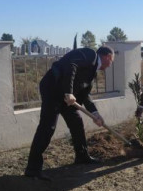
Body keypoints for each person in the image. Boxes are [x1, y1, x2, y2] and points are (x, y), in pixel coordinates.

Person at [24, 46, 115, 181]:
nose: (110, 65)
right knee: (48, 127)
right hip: (53, 90)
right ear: (108, 56)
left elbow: (85, 95)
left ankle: (82, 156)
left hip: (67, 97)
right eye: (112, 61)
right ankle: (32, 169)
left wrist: (95, 113)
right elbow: (71, 65)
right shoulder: (90, 55)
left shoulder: (92, 73)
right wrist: (69, 92)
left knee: (76, 122)